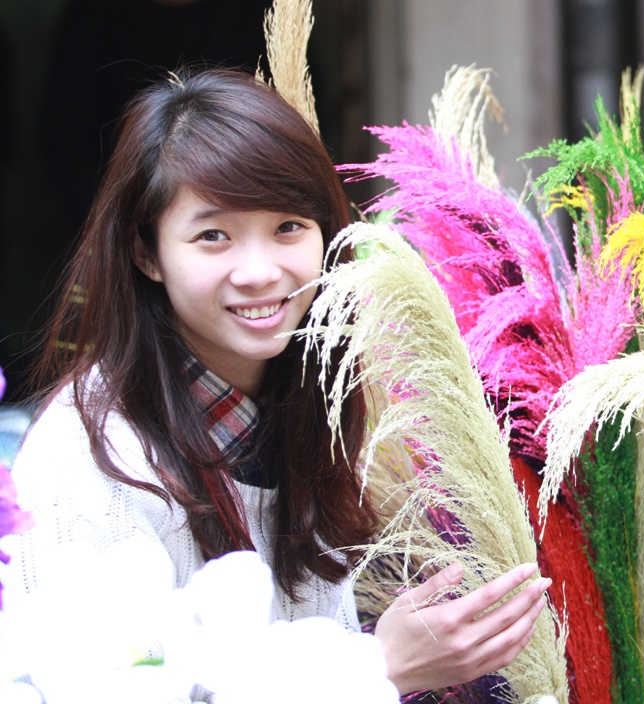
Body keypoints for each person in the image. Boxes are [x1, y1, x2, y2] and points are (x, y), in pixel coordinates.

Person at [1, 68, 551, 699]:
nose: (260, 272)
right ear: (147, 253)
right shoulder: (90, 461)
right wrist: (376, 667)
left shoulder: (324, 410)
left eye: (288, 227)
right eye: (213, 237)